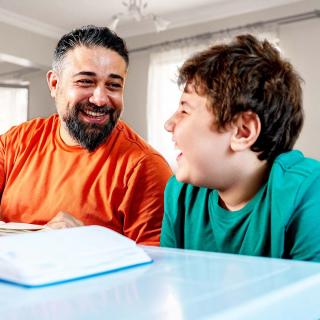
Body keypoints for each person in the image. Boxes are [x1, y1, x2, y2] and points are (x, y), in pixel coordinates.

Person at [0, 25, 172, 245]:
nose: (100, 99)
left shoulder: (144, 167)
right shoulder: (15, 142)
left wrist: (85, 247)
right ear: (54, 84)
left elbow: (155, 270)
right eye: (85, 81)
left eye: (113, 85)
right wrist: (39, 241)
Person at [160, 34, 320, 261]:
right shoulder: (179, 194)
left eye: (185, 110)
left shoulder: (308, 192)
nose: (168, 124)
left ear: (242, 131)